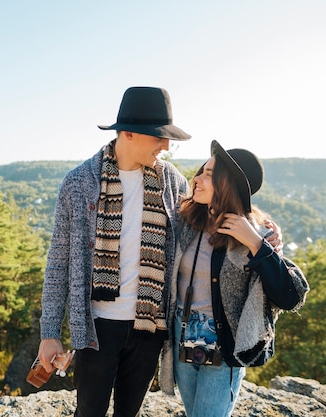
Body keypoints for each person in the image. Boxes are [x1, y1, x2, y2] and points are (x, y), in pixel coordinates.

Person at [37, 86, 193, 417]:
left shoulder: (174, 184)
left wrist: (259, 230)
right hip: (97, 328)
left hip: (148, 326)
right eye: (159, 137)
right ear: (129, 133)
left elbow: (200, 236)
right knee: (89, 413)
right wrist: (50, 332)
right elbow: (58, 264)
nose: (166, 146)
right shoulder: (79, 183)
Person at [158, 140, 310, 417]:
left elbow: (290, 297)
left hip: (224, 344)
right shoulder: (185, 220)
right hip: (182, 336)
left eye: (209, 173)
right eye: (201, 170)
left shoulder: (255, 233)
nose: (197, 179)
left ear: (228, 183)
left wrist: (257, 245)